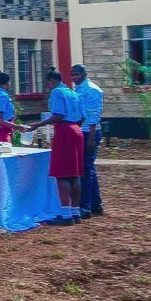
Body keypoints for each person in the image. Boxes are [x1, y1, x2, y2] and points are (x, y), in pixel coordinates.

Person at [31, 68, 84, 211]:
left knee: (63, 174)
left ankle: (66, 213)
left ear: (52, 81)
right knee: (75, 173)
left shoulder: (56, 92)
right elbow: (82, 116)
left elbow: (58, 115)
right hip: (77, 130)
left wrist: (38, 124)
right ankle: (75, 211)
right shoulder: (73, 92)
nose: (48, 86)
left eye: (48, 83)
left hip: (64, 130)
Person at [71, 63, 104, 216]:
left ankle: (85, 206)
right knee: (88, 168)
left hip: (89, 133)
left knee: (86, 169)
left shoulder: (92, 90)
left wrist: (91, 138)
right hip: (81, 131)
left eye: (76, 74)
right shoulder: (77, 89)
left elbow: (93, 115)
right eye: (72, 74)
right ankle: (96, 204)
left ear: (84, 74)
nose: (73, 77)